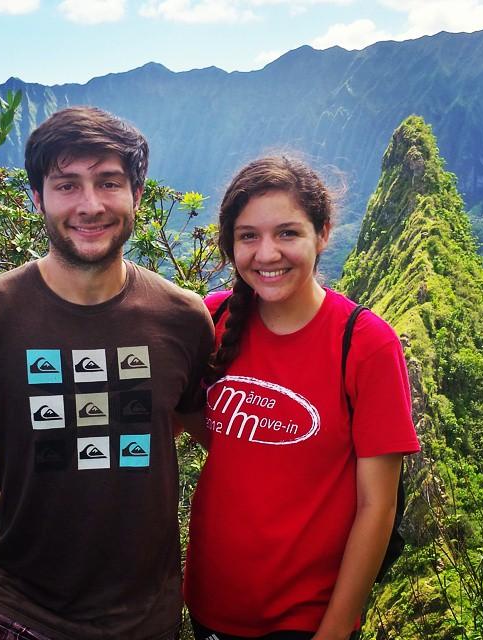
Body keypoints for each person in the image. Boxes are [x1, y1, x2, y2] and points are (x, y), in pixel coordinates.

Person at [0, 106, 214, 640]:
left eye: (109, 182)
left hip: (148, 621)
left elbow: (194, 427)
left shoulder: (183, 317)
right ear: (37, 199)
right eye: (67, 184)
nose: (89, 205)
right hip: (17, 612)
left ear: (137, 196)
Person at [183, 156, 420, 640]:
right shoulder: (214, 318)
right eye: (248, 236)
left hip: (304, 617)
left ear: (323, 233)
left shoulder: (365, 344)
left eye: (288, 233)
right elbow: (200, 427)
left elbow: (378, 506)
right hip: (210, 599)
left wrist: (333, 631)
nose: (266, 253)